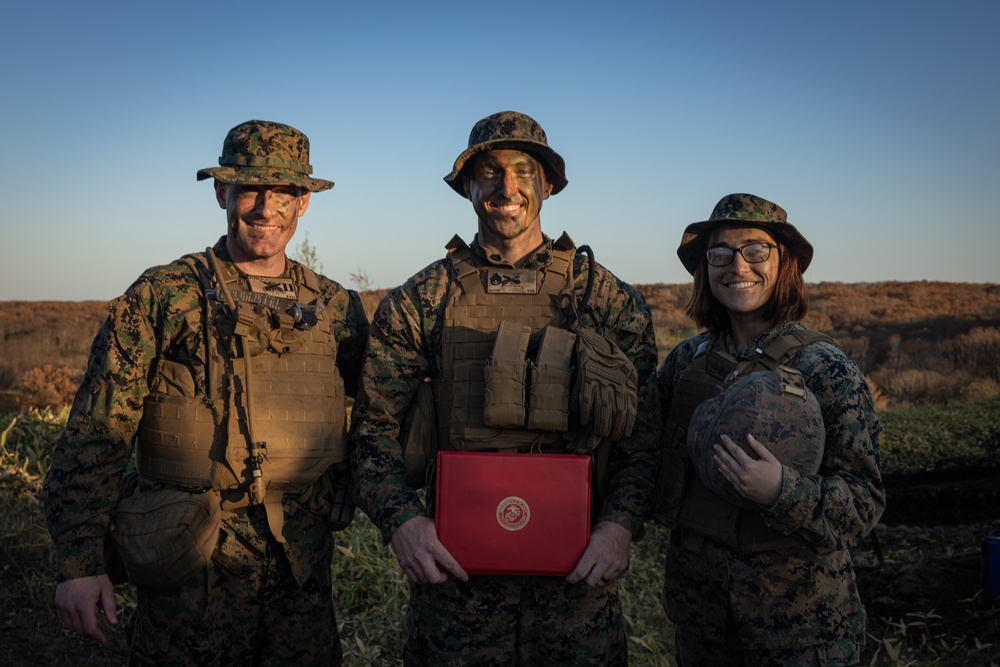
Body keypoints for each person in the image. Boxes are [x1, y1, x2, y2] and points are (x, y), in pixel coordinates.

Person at [43, 120, 370, 666]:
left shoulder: (335, 307)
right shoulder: (165, 295)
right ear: (221, 192)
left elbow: (378, 417)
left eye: (284, 192)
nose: (265, 208)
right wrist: (79, 564)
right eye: (249, 189)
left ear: (304, 203)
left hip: (302, 571)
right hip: (188, 572)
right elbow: (97, 431)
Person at [349, 110, 661, 666]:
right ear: (469, 187)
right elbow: (372, 431)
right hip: (455, 588)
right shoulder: (424, 298)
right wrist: (403, 522)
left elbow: (643, 435)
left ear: (546, 185)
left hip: (576, 587)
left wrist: (618, 527)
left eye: (522, 171)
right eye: (489, 172)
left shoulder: (606, 298)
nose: (506, 187)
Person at [651, 193, 885, 665]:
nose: (737, 265)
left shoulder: (825, 369)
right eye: (720, 253)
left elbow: (863, 502)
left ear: (785, 264)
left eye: (755, 250)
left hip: (800, 631)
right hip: (701, 625)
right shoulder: (685, 363)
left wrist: (781, 489)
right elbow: (643, 457)